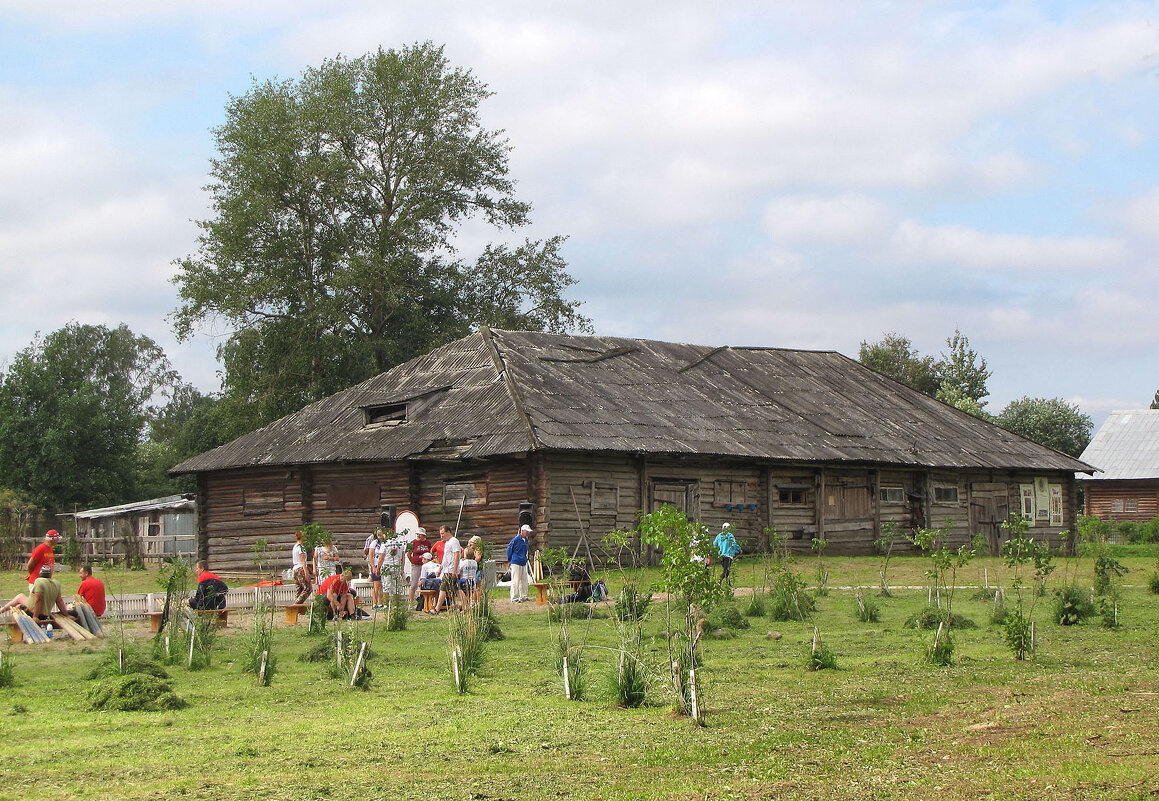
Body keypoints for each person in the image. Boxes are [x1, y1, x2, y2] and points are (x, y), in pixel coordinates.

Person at [0, 564, 69, 620]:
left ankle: (2, 610)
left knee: (18, 603)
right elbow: (59, 601)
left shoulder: (39, 581)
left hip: (35, 612)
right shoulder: (56, 583)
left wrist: (35, 616)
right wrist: (67, 615)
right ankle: (2, 610)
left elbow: (38, 599)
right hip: (45, 613)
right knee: (19, 600)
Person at [430, 525, 462, 614]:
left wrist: (454, 570)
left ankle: (437, 609)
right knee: (457, 589)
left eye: (443, 533)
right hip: (446, 569)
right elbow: (445, 557)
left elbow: (456, 555)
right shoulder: (447, 543)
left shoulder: (454, 541)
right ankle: (466, 607)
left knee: (443, 589)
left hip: (451, 569)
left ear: (448, 532)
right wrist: (440, 568)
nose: (441, 536)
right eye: (440, 534)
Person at [506, 524, 532, 603]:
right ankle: (514, 597)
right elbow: (509, 549)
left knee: (524, 580)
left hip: (523, 561)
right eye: (526, 532)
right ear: (522, 531)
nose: (528, 533)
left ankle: (523, 596)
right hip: (516, 561)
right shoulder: (516, 540)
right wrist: (510, 559)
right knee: (515, 580)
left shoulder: (526, 540)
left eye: (528, 532)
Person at [406, 527, 432, 602]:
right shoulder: (412, 542)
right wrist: (413, 561)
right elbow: (409, 554)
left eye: (420, 535)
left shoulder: (427, 543)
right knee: (414, 583)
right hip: (416, 565)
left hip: (426, 565)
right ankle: (411, 601)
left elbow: (430, 552)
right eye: (418, 534)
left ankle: (423, 600)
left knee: (424, 581)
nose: (419, 536)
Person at [291, 531, 313, 604]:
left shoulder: (295, 546)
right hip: (300, 568)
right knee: (308, 588)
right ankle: (296, 604)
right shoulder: (301, 547)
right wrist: (306, 572)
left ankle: (296, 608)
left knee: (299, 589)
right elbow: (303, 560)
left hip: (295, 569)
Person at [368, 529, 385, 610]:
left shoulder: (385, 542)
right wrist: (373, 567)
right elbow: (370, 555)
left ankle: (380, 603)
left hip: (384, 565)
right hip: (376, 565)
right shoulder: (374, 543)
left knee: (381, 585)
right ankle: (374, 603)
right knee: (376, 585)